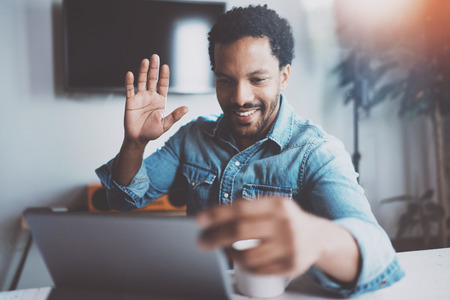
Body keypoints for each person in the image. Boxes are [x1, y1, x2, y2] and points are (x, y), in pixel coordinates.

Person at [96, 5, 404, 297]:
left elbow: (378, 255)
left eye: (257, 79)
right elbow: (122, 198)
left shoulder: (316, 152)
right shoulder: (194, 137)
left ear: (284, 76)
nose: (240, 97)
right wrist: (134, 144)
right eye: (225, 81)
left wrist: (316, 238)